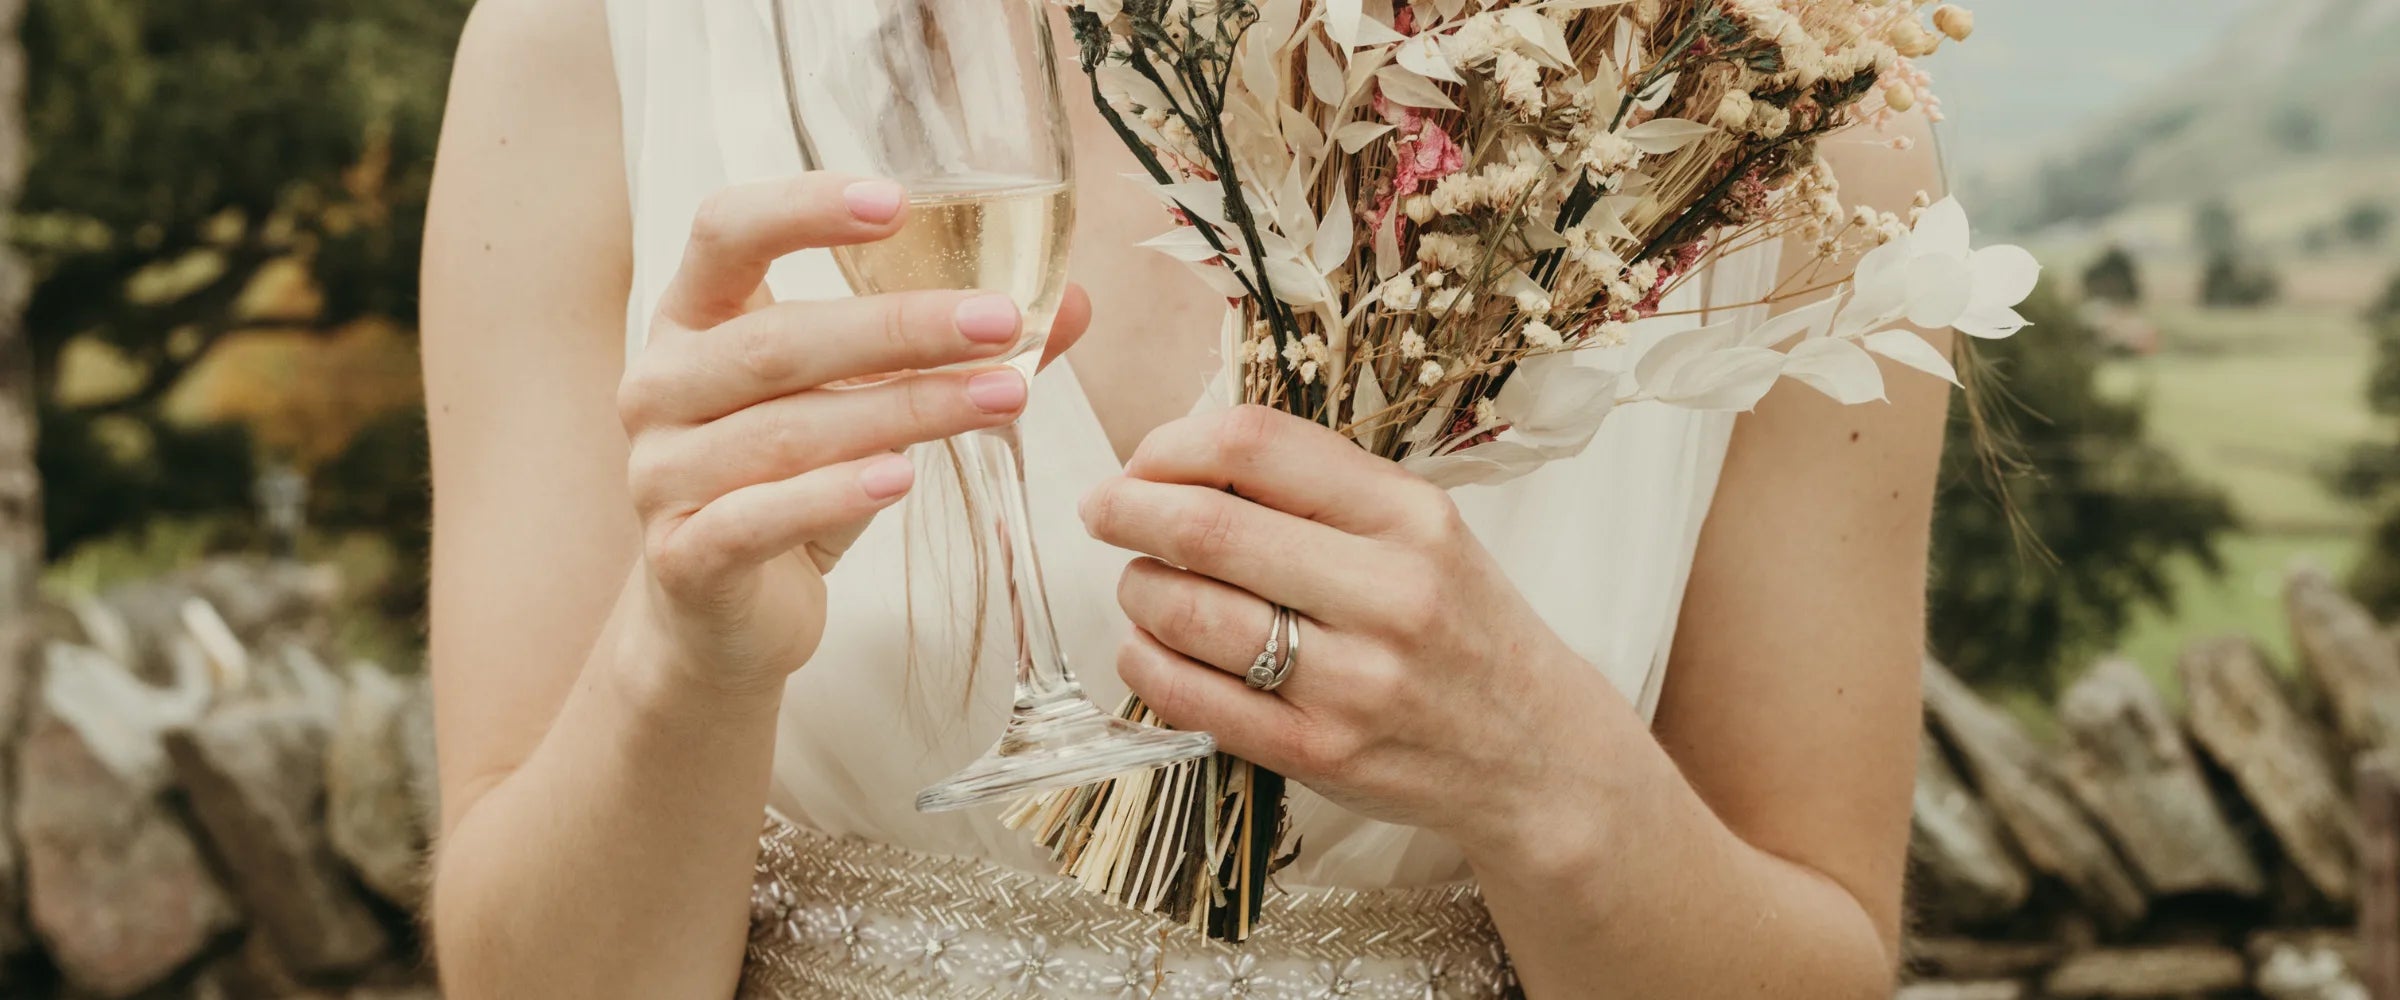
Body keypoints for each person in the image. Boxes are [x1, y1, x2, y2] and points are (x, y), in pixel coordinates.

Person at [419, 1, 1952, 997]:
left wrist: (1548, 773)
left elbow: (1821, 963)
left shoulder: (1775, 103)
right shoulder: (601, 42)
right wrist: (687, 661)